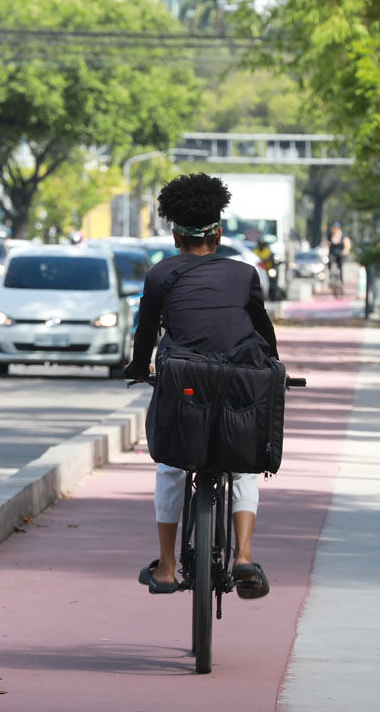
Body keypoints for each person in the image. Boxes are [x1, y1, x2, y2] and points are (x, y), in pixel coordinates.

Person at [125, 173, 278, 600]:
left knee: (171, 466)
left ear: (176, 236)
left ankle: (167, 568)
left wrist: (137, 368)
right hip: (239, 380)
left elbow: (145, 333)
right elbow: (262, 331)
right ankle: (243, 556)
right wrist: (274, 367)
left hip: (183, 382)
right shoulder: (244, 273)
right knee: (243, 462)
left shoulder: (160, 274)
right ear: (219, 233)